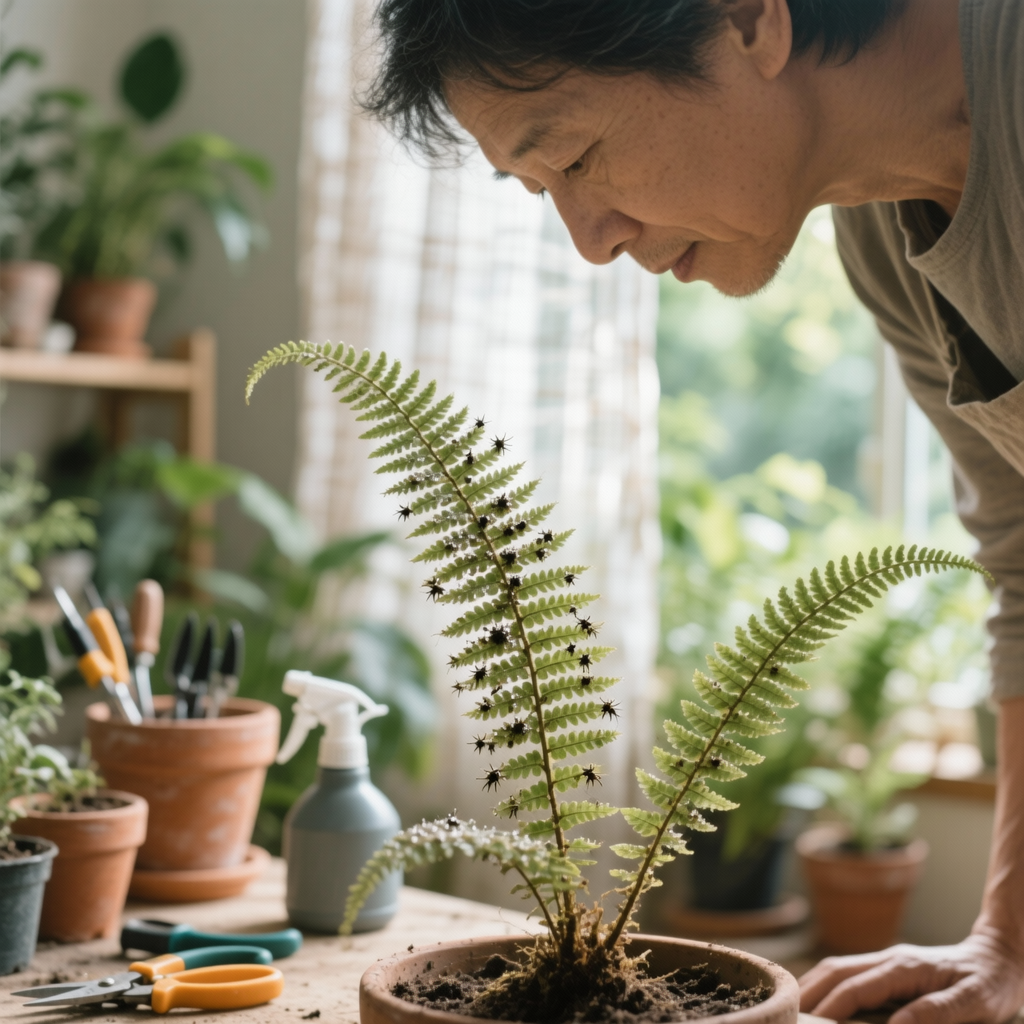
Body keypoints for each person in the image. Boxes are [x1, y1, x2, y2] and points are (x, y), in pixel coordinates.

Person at [358, 0, 1024, 1021]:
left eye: (574, 156)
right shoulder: (887, 241)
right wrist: (1008, 942)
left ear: (749, 18)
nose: (588, 242)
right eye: (538, 191)